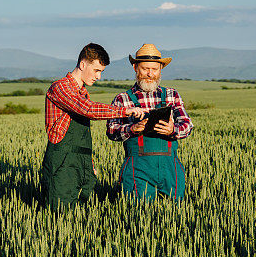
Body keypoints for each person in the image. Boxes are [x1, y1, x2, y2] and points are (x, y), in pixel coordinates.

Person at [42, 43, 145, 210]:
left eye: (101, 72)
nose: (99, 77)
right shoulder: (60, 87)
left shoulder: (82, 92)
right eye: (97, 70)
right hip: (62, 164)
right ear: (83, 65)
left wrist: (88, 165)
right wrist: (126, 111)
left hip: (81, 163)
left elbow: (81, 136)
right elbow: (88, 109)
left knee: (83, 213)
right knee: (59, 214)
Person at [107, 43, 194, 201]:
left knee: (175, 216)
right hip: (138, 170)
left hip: (170, 169)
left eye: (154, 69)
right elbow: (112, 131)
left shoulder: (172, 95)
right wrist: (132, 128)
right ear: (135, 68)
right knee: (139, 216)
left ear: (160, 69)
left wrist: (172, 130)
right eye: (145, 69)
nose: (150, 74)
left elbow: (187, 126)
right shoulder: (123, 99)